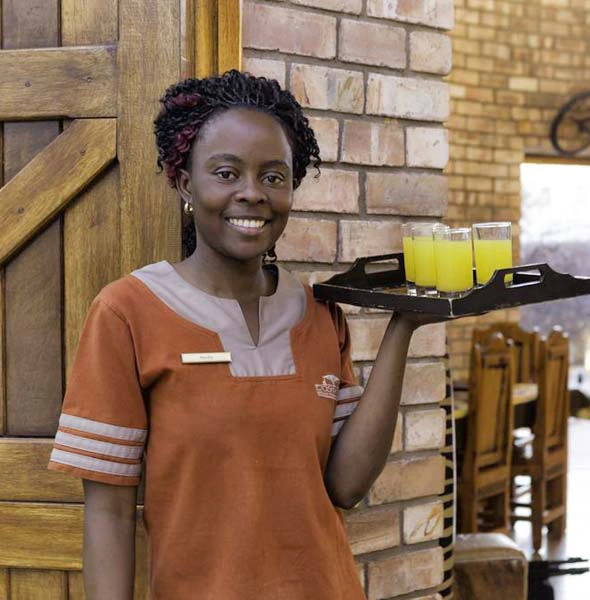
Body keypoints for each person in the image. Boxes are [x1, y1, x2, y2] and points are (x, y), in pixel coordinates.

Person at [48, 70, 438, 599]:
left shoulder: (318, 313)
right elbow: (109, 514)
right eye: (226, 173)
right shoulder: (126, 313)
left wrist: (403, 327)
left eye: (274, 177)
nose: (252, 193)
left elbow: (345, 486)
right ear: (186, 183)